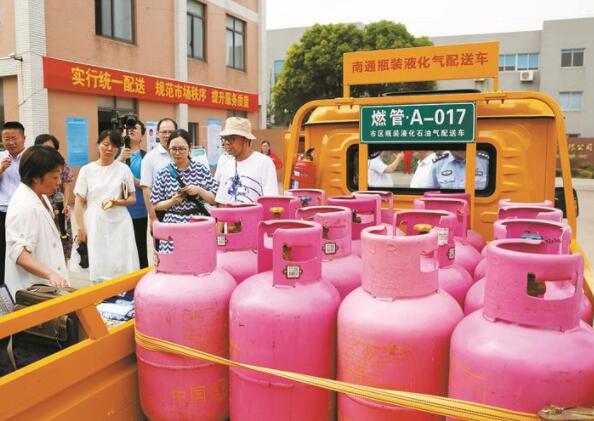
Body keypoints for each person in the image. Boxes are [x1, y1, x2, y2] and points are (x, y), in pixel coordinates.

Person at [4, 146, 69, 298]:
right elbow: (19, 254)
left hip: (49, 286)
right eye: (55, 177)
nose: (59, 182)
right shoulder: (25, 205)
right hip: (35, 290)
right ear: (35, 177)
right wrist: (50, 274)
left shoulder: (41, 196)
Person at [74, 130, 139, 281]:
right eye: (106, 144)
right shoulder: (87, 170)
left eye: (114, 146)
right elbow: (78, 200)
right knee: (98, 258)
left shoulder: (124, 169)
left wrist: (116, 202)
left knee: (121, 260)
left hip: (119, 222)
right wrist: (80, 227)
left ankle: (123, 291)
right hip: (95, 221)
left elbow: (132, 198)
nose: (110, 149)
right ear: (98, 145)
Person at [151, 129, 218, 252]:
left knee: (197, 257)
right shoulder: (163, 173)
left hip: (197, 223)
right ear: (168, 149)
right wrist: (172, 201)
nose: (177, 153)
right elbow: (155, 204)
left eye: (182, 149)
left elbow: (214, 199)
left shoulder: (200, 169)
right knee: (173, 260)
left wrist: (199, 190)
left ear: (189, 148)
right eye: (173, 149)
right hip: (172, 225)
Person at [214, 117, 278, 205]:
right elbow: (221, 202)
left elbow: (271, 202)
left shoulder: (264, 163)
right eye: (224, 139)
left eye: (231, 138)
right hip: (229, 214)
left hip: (256, 214)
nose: (227, 143)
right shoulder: (226, 164)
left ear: (246, 140)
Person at [34, 134, 74, 261]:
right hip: (41, 205)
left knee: (63, 241)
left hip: (58, 205)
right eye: (43, 148)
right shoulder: (34, 166)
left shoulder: (62, 165)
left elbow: (67, 186)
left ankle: (63, 268)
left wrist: (65, 205)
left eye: (50, 149)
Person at [118, 121, 149, 268]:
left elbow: (149, 185)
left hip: (138, 210)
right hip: (118, 209)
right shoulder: (115, 154)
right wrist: (120, 159)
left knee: (139, 248)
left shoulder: (146, 157)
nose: (131, 130)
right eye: (128, 128)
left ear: (142, 135)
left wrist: (133, 180)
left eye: (135, 128)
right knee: (120, 250)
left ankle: (142, 278)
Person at [0, 121, 26, 284]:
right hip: (2, 212)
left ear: (24, 138)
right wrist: (1, 169)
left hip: (23, 213)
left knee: (22, 251)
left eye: (14, 138)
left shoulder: (32, 157)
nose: (11, 142)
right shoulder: (0, 157)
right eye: (6, 139)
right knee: (3, 252)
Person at [140, 118, 177, 228]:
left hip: (184, 212)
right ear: (157, 134)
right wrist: (153, 217)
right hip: (161, 212)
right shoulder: (150, 158)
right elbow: (146, 189)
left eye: (170, 132)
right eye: (164, 132)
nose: (167, 135)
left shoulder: (184, 154)